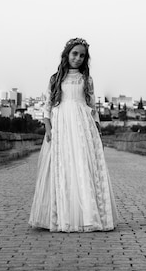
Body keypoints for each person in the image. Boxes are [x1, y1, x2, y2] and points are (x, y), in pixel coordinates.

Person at [29, 37, 118, 232]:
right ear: (67, 54)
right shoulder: (56, 79)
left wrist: (98, 131)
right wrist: (49, 129)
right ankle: (63, 216)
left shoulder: (87, 79)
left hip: (82, 126)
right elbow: (47, 107)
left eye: (82, 55)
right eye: (74, 54)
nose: (77, 58)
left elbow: (93, 107)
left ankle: (88, 215)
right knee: (63, 167)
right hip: (61, 125)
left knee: (82, 166)